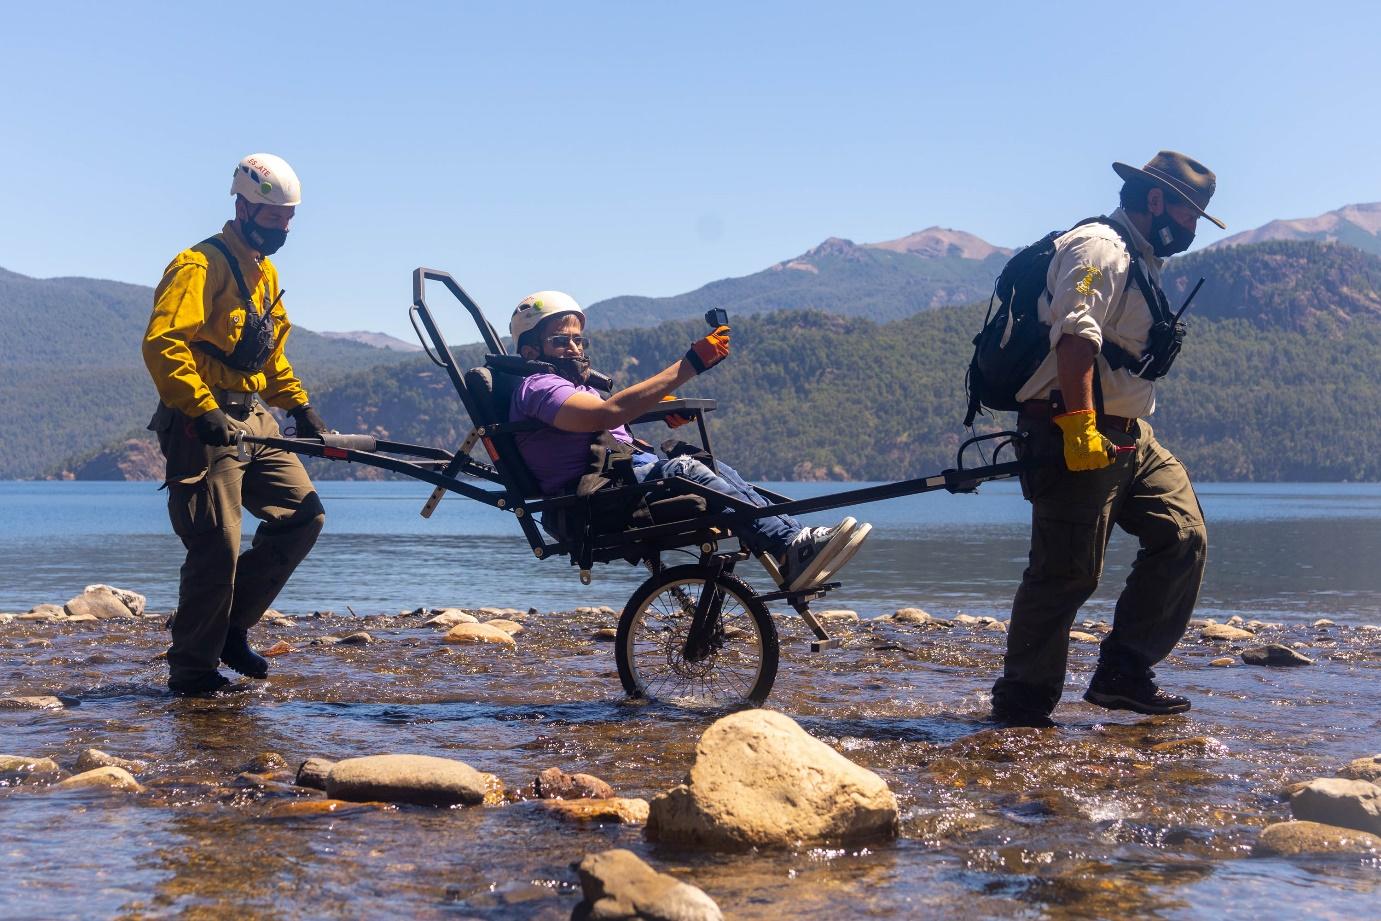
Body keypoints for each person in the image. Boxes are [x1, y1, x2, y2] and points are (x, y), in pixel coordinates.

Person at [990, 151, 1223, 727]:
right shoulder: (1099, 248)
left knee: (1183, 535)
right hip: (1070, 425)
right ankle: (1022, 702)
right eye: (1190, 214)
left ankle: (1123, 672)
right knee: (1066, 573)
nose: (1191, 228)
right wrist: (1080, 426)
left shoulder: (1143, 256)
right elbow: (1076, 341)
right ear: (1155, 201)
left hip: (1132, 435)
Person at [506, 291, 871, 590]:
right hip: (592, 500)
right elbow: (605, 415)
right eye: (560, 340)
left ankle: (794, 542)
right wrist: (691, 364)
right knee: (684, 468)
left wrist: (660, 408)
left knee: (710, 466)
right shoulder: (539, 387)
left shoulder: (575, 387)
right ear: (531, 352)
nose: (573, 347)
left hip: (623, 480)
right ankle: (790, 546)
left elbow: (609, 421)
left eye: (577, 339)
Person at [142, 153, 329, 696]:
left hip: (254, 415)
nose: (283, 229)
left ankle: (228, 628)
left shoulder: (265, 273)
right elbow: (163, 344)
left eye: (289, 218)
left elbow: (269, 355)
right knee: (217, 544)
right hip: (201, 419)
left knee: (304, 517)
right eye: (274, 218)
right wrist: (202, 410)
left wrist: (300, 408)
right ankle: (193, 671)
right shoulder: (199, 266)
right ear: (244, 205)